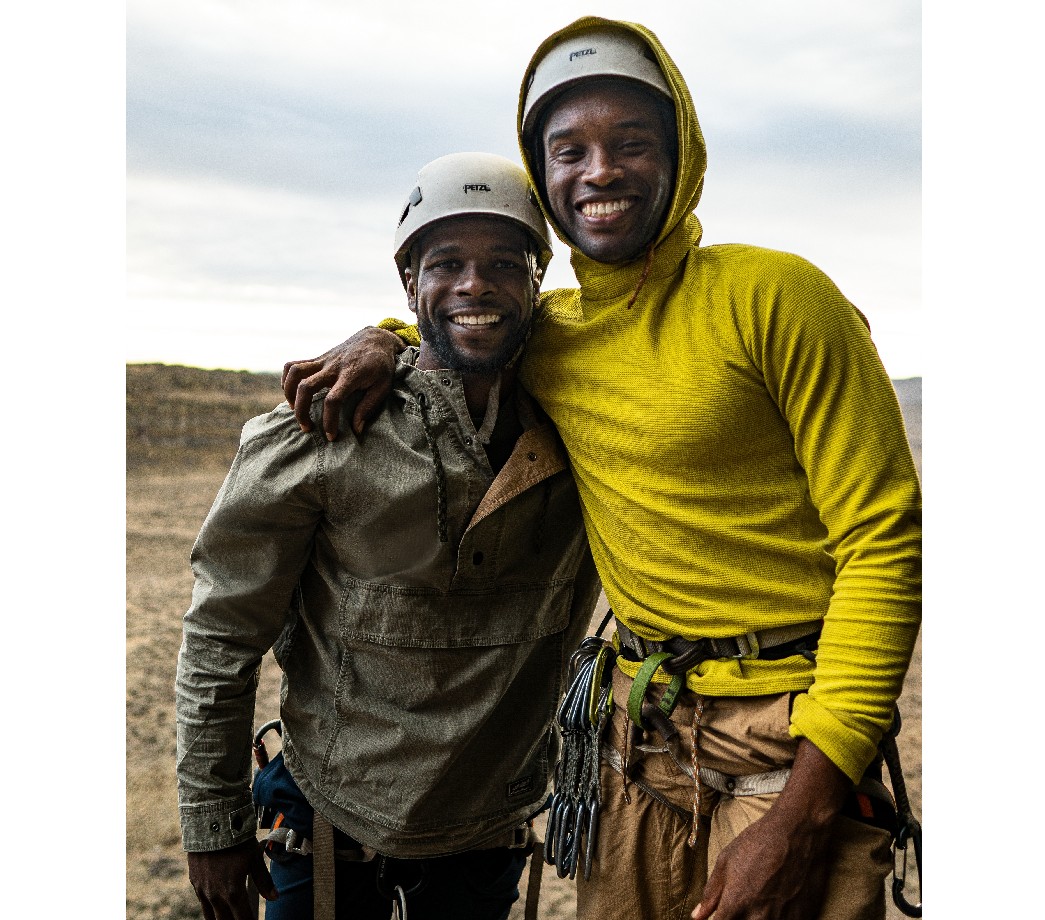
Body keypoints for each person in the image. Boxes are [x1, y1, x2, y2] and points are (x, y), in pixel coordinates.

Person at [281, 17, 921, 920]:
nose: (601, 171)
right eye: (568, 149)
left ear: (681, 153)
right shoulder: (553, 337)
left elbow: (885, 544)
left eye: (631, 142)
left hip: (789, 734)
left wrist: (805, 813)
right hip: (638, 737)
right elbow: (460, 320)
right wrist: (380, 340)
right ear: (541, 175)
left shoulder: (778, 298)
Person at [175, 151, 602, 920]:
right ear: (410, 282)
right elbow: (220, 637)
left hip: (487, 835)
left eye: (505, 262)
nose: (477, 284)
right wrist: (212, 827)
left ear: (538, 279)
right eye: (448, 263)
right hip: (328, 830)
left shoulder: (585, 425)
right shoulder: (323, 427)